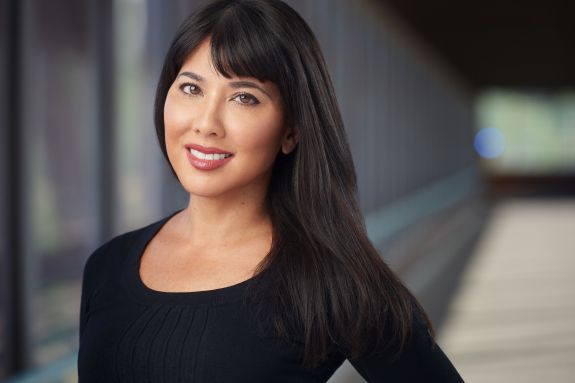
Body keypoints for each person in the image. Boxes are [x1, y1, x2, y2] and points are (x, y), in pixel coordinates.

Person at [78, 0, 464, 381]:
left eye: (244, 97)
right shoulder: (107, 267)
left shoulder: (331, 282)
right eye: (191, 88)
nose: (207, 123)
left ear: (291, 131)